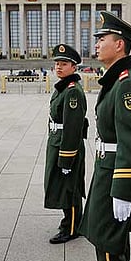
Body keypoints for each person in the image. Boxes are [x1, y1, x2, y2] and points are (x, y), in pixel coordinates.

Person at [79, 11, 131, 261]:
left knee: (108, 244)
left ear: (119, 44)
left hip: (116, 176)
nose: (96, 44)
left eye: (102, 39)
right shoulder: (117, 79)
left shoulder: (127, 83)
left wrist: (122, 189)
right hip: (108, 169)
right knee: (111, 241)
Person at [44, 43, 88, 244]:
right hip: (57, 143)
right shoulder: (63, 88)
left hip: (66, 147)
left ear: (74, 67)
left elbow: (73, 128)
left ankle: (72, 228)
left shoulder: (72, 91)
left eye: (64, 64)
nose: (59, 67)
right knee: (62, 187)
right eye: (57, 64)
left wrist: (67, 159)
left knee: (69, 189)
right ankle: (70, 222)